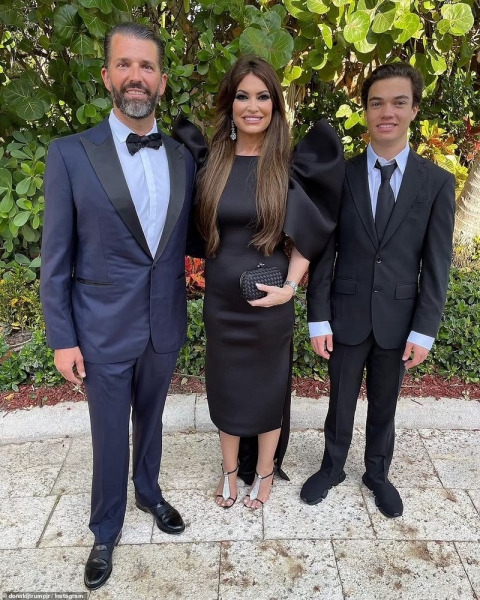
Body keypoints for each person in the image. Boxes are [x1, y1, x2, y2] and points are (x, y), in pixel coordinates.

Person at [40, 23, 195, 590]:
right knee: (108, 433)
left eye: (147, 66)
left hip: (163, 321)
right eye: (125, 65)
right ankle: (105, 529)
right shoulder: (70, 155)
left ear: (161, 80)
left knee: (151, 420)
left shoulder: (182, 156)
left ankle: (148, 492)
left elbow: (189, 239)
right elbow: (55, 257)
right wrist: (62, 337)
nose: (136, 76)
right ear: (107, 76)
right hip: (100, 328)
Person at [174, 56, 344, 509]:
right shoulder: (212, 163)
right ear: (229, 105)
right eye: (243, 96)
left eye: (263, 96)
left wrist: (290, 287)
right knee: (225, 389)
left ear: (275, 105)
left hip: (270, 306)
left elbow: (312, 231)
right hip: (221, 305)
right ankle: (230, 470)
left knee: (269, 392)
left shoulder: (287, 166)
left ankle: (265, 470)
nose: (253, 106)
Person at [301, 63, 456, 518]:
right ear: (366, 111)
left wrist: (424, 329)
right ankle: (332, 467)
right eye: (377, 103)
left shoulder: (437, 183)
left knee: (385, 404)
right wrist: (318, 316)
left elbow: (437, 263)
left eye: (398, 102)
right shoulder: (341, 175)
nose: (387, 112)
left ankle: (377, 473)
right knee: (340, 400)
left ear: (414, 109)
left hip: (399, 318)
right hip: (346, 313)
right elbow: (323, 251)